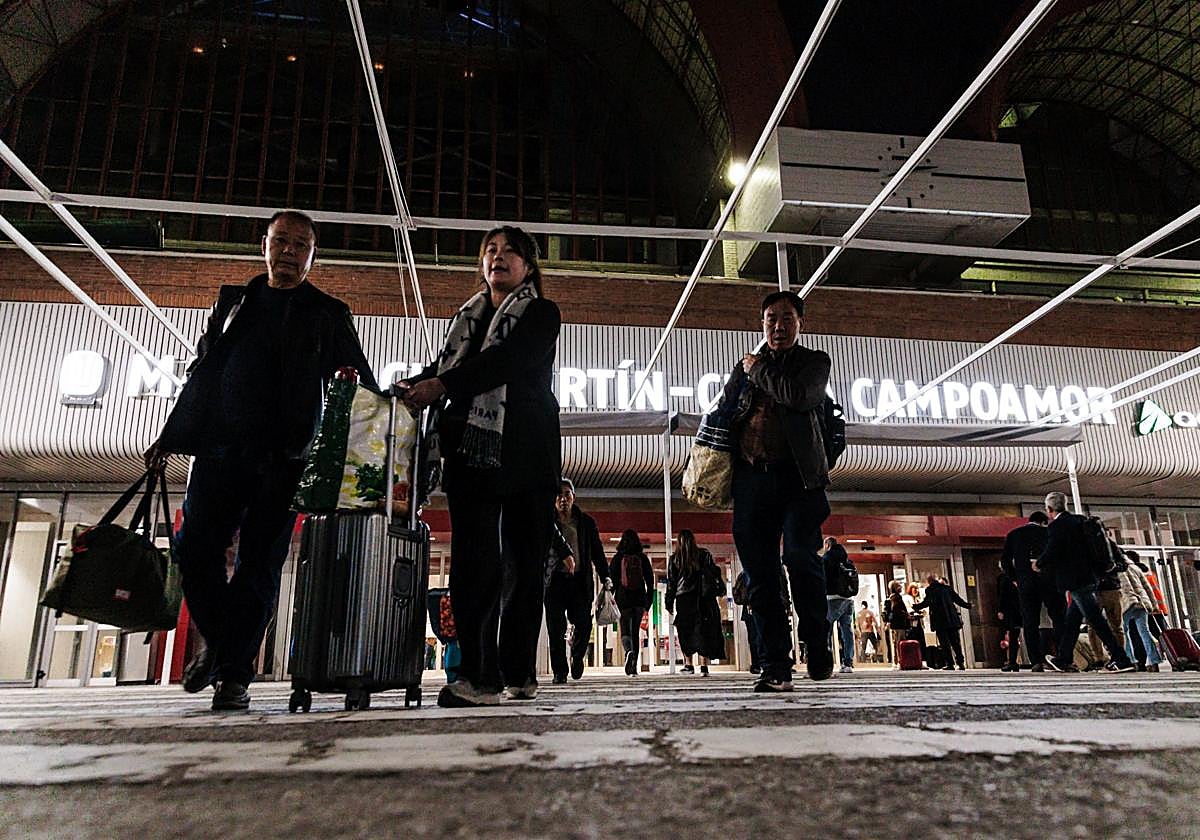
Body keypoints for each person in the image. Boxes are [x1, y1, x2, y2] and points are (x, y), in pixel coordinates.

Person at [145, 210, 377, 712]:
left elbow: (360, 378)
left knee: (260, 564)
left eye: (300, 244)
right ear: (264, 244)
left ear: (313, 256)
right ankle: (223, 644)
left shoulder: (327, 313)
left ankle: (233, 676)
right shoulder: (234, 302)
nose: (289, 251)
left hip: (286, 460)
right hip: (220, 451)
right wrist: (170, 435)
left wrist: (380, 405)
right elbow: (204, 373)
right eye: (281, 241)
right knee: (192, 548)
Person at [398, 225, 562, 707]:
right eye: (491, 250)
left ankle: (518, 668)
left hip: (527, 451)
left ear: (528, 266)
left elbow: (507, 362)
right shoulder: (465, 319)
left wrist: (442, 386)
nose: (498, 257)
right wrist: (414, 386)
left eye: (510, 251)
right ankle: (477, 674)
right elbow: (444, 370)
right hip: (470, 452)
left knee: (524, 565)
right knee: (473, 562)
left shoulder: (542, 313)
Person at [724, 290, 834, 692]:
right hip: (751, 481)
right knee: (760, 575)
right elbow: (725, 412)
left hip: (799, 480)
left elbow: (800, 397)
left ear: (800, 323)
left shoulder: (813, 363)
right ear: (762, 323)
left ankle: (816, 644)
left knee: (801, 558)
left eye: (787, 318)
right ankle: (775, 665)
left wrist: (756, 370)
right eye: (771, 318)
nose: (778, 326)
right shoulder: (745, 368)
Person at [1033, 492, 1136, 674]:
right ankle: (1064, 658)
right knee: (1072, 620)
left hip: (1075, 579)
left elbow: (1053, 549)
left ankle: (1121, 658)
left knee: (1096, 619)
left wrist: (1039, 563)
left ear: (1049, 509)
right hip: (1090, 577)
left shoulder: (1057, 526)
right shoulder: (1082, 521)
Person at [544, 478, 608, 684]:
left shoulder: (586, 523)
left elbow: (597, 551)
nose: (563, 499)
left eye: (567, 494)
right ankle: (559, 671)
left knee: (583, 622)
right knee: (555, 628)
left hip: (579, 581)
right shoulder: (547, 523)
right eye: (559, 495)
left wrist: (605, 575)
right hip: (554, 582)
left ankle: (578, 656)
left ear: (573, 497)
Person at [1000, 510, 1063, 672]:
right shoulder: (1049, 533)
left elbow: (1005, 560)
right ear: (1044, 522)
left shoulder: (1014, 534)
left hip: (1026, 583)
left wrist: (1015, 578)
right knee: (1058, 617)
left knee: (1030, 622)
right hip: (1049, 581)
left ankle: (1036, 660)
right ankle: (1063, 656)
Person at [665, 530, 725, 675]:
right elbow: (713, 573)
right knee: (703, 629)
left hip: (684, 598)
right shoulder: (704, 554)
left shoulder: (675, 559)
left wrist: (669, 601)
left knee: (686, 630)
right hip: (702, 597)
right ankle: (704, 666)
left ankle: (689, 664)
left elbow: (671, 583)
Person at [609, 529, 654, 675]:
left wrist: (610, 598)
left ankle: (628, 651)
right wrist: (649, 600)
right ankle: (634, 667)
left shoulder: (618, 558)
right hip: (639, 599)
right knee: (635, 632)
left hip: (623, 599)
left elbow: (611, 581)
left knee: (625, 630)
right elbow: (650, 580)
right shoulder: (642, 558)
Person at [1085, 529, 1127, 670]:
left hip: (1111, 588)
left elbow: (1124, 565)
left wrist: (1114, 567)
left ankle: (1119, 656)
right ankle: (1099, 658)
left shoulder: (1112, 546)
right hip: (1095, 589)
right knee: (1093, 626)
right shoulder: (1087, 545)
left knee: (1116, 625)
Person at [912, 574, 972, 670]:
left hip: (939, 621)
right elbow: (957, 600)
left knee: (945, 644)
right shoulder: (947, 588)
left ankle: (950, 664)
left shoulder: (930, 590)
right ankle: (961, 663)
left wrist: (916, 606)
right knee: (955, 643)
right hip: (952, 620)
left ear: (929, 581)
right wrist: (968, 605)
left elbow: (927, 602)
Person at [1119, 550, 1161, 673]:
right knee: (1144, 631)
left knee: (1124, 631)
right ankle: (1154, 661)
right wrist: (1153, 605)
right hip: (1142, 602)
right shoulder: (1135, 568)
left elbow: (1123, 588)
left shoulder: (1118, 568)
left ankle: (1131, 660)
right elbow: (1147, 587)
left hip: (1128, 602)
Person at [822, 537, 855, 674]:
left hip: (832, 598)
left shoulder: (826, 559)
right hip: (848, 599)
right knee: (847, 631)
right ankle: (848, 663)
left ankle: (826, 663)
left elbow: (823, 579)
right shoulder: (847, 560)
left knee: (826, 631)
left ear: (827, 545)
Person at [996, 566, 1023, 671]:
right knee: (1014, 635)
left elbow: (1002, 595)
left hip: (1011, 611)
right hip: (1021, 609)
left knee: (1012, 636)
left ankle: (1012, 662)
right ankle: (1014, 661)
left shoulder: (1004, 578)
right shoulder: (1021, 576)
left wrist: (1000, 610)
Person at [882, 580, 911, 668]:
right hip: (899, 624)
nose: (901, 587)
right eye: (898, 585)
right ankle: (901, 661)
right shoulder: (896, 598)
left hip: (895, 624)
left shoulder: (892, 598)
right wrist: (906, 615)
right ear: (895, 588)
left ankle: (898, 661)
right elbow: (897, 610)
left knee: (897, 643)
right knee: (900, 642)